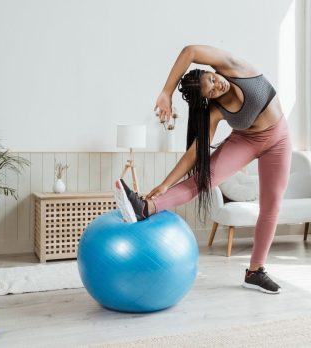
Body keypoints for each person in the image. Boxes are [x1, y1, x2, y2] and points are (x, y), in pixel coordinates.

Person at [114, 45, 291, 294]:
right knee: (202, 180)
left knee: (272, 205)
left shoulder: (234, 68)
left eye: (212, 79)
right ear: (208, 100)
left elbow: (190, 51)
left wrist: (166, 93)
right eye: (212, 91)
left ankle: (255, 271)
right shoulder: (215, 111)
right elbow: (194, 154)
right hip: (246, 141)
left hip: (279, 139)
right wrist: (166, 183)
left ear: (211, 71)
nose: (218, 85)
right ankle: (144, 207)